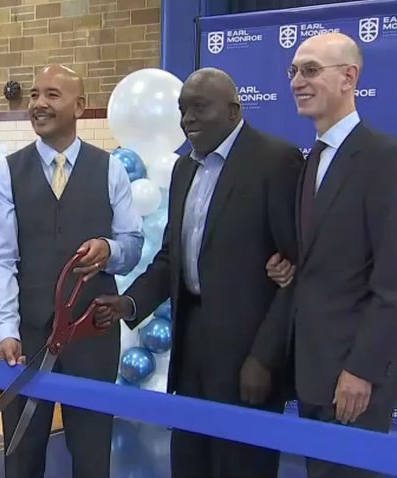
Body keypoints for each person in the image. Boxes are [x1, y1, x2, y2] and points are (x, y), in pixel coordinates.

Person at [93, 68, 303, 478]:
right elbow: (172, 257)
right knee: (190, 464)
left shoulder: (276, 160)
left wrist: (266, 358)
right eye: (182, 109)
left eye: (199, 108)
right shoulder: (184, 170)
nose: (187, 118)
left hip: (250, 355)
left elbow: (293, 274)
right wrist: (129, 302)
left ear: (233, 110)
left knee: (243, 468)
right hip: (192, 351)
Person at [0, 64, 143, 478]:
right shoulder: (5, 173)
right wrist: (6, 331)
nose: (38, 104)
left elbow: (133, 244)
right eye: (34, 95)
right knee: (21, 456)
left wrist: (110, 249)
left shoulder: (110, 169)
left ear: (80, 106)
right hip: (27, 337)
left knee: (91, 456)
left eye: (51, 95)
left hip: (94, 335)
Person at [270, 33, 397, 478]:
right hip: (314, 372)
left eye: (311, 70)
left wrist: (361, 369)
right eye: (293, 71)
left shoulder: (382, 156)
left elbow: (396, 277)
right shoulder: (313, 159)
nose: (297, 81)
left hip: (356, 378)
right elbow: (325, 255)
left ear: (349, 77)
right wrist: (288, 268)